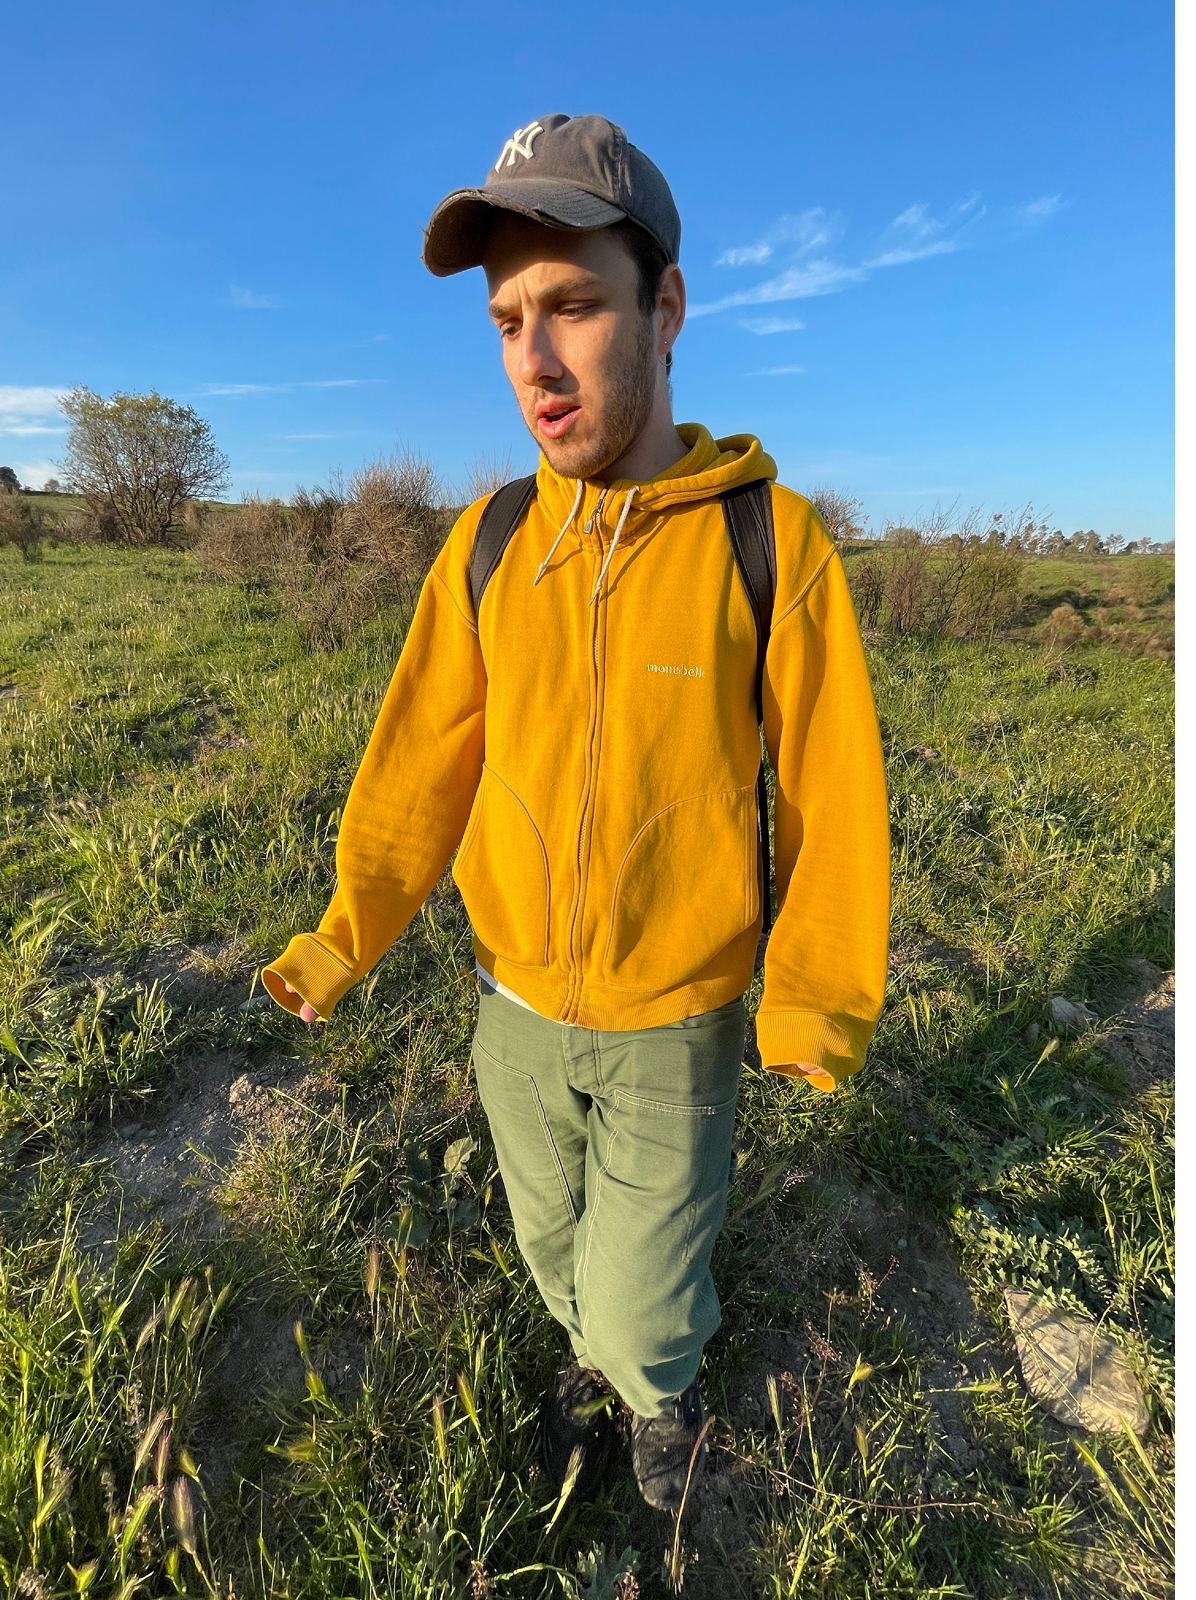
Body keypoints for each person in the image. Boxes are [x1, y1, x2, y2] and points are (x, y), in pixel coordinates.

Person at [258, 112, 890, 1514]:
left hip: (677, 1017)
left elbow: (836, 793)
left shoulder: (767, 544)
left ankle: (658, 1398)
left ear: (664, 307)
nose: (534, 362)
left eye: (574, 307)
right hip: (515, 1011)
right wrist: (341, 937)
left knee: (649, 1284)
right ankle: (594, 1357)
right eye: (505, 322)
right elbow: (419, 761)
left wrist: (818, 999)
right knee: (551, 1246)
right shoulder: (488, 545)